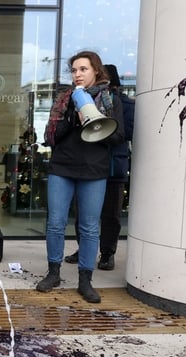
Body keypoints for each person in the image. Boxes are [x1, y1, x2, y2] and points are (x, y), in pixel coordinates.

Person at [36, 51, 125, 303]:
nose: (77, 74)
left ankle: (85, 281)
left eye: (83, 69)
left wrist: (96, 122)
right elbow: (49, 137)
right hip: (62, 168)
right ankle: (53, 273)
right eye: (74, 70)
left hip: (93, 170)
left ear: (96, 70)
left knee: (89, 227)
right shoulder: (64, 99)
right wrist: (72, 120)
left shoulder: (110, 99)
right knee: (55, 223)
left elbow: (118, 138)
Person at [63, 64, 135, 271]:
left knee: (111, 214)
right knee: (83, 212)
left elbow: (125, 134)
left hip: (113, 168)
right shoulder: (83, 101)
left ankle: (107, 253)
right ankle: (84, 249)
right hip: (86, 167)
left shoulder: (125, 105)